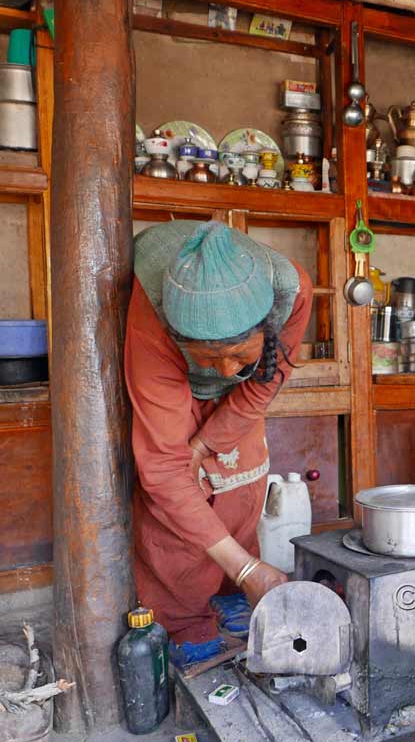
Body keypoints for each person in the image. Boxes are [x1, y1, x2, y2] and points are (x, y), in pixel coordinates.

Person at [125, 220, 312, 668]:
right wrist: (182, 458)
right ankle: (184, 620)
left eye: (240, 356)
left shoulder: (292, 293)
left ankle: (232, 593)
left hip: (242, 396)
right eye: (210, 358)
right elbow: (164, 470)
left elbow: (258, 386)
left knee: (240, 484)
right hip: (175, 390)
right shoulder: (151, 326)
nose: (226, 371)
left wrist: (205, 445)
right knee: (171, 510)